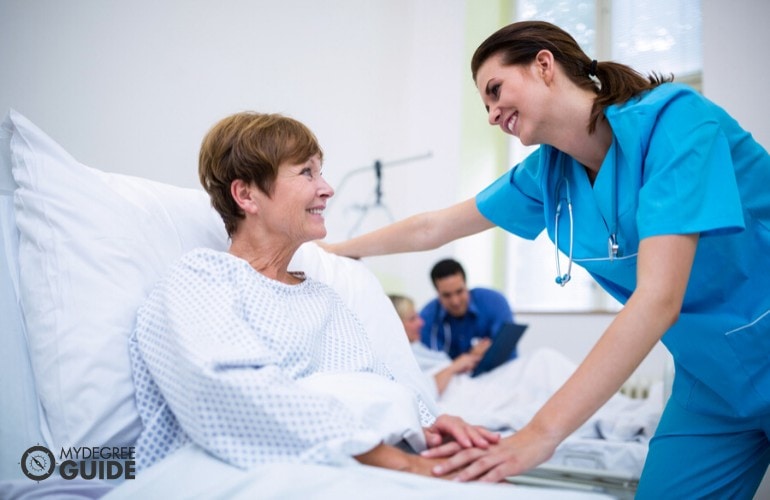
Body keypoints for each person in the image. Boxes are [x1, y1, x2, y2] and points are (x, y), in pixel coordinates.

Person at [320, 20, 770, 498]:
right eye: (486, 104)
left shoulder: (674, 123)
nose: (492, 114)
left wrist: (539, 435)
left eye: (495, 90)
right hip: (711, 383)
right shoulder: (548, 175)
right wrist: (331, 252)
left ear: (543, 64)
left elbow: (658, 298)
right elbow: (434, 227)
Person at [128, 112, 499, 478]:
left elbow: (379, 382)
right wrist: (401, 463)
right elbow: (231, 398)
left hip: (364, 462)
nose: (327, 188)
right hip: (259, 472)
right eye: (307, 172)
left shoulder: (324, 298)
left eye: (320, 171)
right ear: (246, 195)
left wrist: (430, 427)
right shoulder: (201, 279)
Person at [389, 294, 485, 396]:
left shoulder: (416, 347)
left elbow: (441, 365)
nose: (421, 323)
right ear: (395, 324)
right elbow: (425, 392)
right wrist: (455, 366)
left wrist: (471, 357)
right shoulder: (398, 360)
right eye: (412, 319)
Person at [420, 258, 514, 360]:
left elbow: (506, 349)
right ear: (437, 293)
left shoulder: (495, 302)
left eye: (459, 291)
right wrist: (471, 357)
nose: (455, 301)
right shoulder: (426, 319)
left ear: (466, 285)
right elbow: (434, 366)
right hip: (455, 376)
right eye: (446, 295)